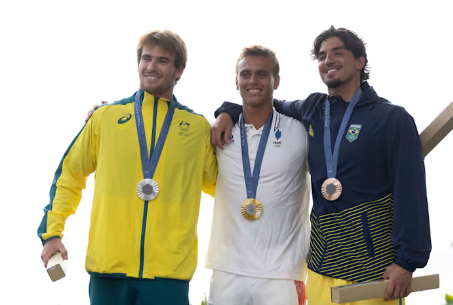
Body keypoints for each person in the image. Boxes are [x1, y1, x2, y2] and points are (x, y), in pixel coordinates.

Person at [211, 26, 431, 305]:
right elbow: (263, 100)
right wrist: (227, 111)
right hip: (322, 266)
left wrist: (407, 261)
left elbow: (411, 192)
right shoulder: (313, 110)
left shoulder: (391, 118)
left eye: (338, 53)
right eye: (322, 56)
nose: (329, 60)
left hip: (375, 271)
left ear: (360, 61)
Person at [37, 30, 217, 305]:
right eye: (146, 59)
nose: (151, 67)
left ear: (180, 69)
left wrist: (234, 114)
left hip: (168, 275)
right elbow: (70, 175)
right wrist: (52, 233)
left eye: (163, 61)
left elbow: (225, 186)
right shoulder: (105, 118)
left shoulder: (197, 128)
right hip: (109, 270)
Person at [205, 46, 310, 305]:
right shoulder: (219, 132)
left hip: (283, 272)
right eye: (245, 74)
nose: (252, 81)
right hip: (227, 268)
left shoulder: (299, 131)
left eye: (262, 74)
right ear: (236, 80)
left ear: (277, 81)